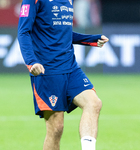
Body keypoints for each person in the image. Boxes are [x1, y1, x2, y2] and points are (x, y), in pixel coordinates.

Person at [17, 0, 109, 150]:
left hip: (70, 66)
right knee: (56, 128)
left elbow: (62, 33)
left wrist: (90, 39)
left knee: (94, 103)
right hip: (47, 70)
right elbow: (23, 31)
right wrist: (31, 61)